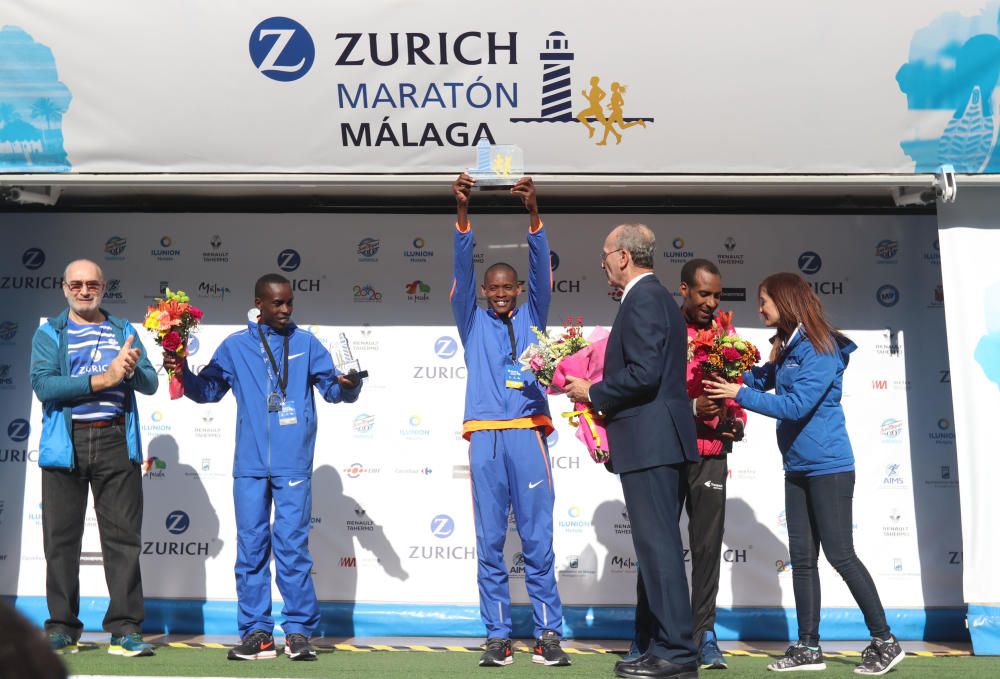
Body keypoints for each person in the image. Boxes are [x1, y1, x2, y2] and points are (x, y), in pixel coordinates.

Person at [703, 273, 905, 676]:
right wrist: (725, 363)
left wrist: (737, 395)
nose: (758, 309)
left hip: (829, 468)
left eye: (764, 301)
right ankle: (808, 646)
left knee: (840, 555)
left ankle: (885, 640)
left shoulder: (821, 347)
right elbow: (763, 379)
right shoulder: (788, 345)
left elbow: (795, 406)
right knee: (802, 560)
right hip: (797, 466)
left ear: (785, 300)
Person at [162, 273, 363, 662]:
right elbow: (208, 392)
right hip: (250, 467)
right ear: (259, 304)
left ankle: (299, 632)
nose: (286, 309)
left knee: (292, 549)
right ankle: (257, 633)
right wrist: (180, 369)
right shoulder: (235, 347)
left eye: (289, 302)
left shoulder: (307, 344)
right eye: (277, 303)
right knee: (251, 549)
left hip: (294, 466)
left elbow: (334, 392)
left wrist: (350, 384)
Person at [564, 225, 700, 679]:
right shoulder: (653, 297)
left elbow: (643, 374)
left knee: (659, 549)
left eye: (604, 254)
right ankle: (660, 644)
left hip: (652, 441)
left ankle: (677, 653)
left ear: (623, 256)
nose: (601, 262)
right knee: (655, 548)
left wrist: (592, 390)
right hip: (654, 439)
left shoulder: (643, 298)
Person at [451, 173, 570, 668]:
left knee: (538, 539)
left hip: (527, 438)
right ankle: (497, 634)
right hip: (484, 438)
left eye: (508, 287)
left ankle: (547, 634)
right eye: (493, 288)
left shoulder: (533, 318)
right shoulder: (470, 318)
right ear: (484, 290)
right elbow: (460, 264)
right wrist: (462, 214)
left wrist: (534, 214)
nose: (501, 294)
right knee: (489, 542)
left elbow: (542, 271)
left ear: (518, 289)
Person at [30, 259, 158, 658]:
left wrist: (131, 369)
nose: (85, 291)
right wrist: (103, 379)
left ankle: (125, 628)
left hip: (115, 440)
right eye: (77, 284)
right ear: (64, 287)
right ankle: (63, 628)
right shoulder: (50, 332)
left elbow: (150, 383)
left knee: (123, 541)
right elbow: (44, 385)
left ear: (104, 287)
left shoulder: (123, 330)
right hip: (65, 444)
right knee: (61, 542)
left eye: (92, 285)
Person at [678, 259, 746, 669]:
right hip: (668, 451)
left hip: (711, 453)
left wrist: (734, 420)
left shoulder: (725, 332)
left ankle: (704, 633)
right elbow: (652, 386)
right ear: (684, 289)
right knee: (660, 545)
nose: (711, 302)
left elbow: (736, 388)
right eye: (704, 293)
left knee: (705, 547)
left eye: (717, 295)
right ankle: (647, 632)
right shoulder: (666, 327)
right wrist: (690, 406)